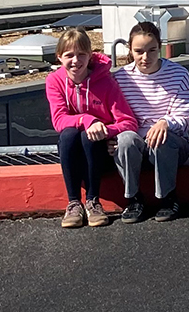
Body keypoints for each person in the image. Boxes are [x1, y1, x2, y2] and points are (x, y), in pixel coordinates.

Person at [46, 28, 137, 229]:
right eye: (69, 55)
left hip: (100, 155)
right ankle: (73, 202)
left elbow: (129, 121)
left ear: (90, 55)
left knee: (89, 136)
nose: (75, 61)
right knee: (69, 134)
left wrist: (107, 131)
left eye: (81, 54)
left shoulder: (106, 82)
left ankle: (93, 201)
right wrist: (88, 120)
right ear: (59, 57)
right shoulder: (54, 81)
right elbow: (59, 120)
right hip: (73, 156)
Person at [111, 22, 189, 224]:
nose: (145, 57)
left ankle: (168, 197)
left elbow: (185, 117)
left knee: (161, 138)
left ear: (160, 47)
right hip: (137, 143)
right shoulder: (120, 78)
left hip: (171, 144)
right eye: (139, 51)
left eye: (152, 50)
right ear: (130, 50)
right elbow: (115, 117)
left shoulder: (179, 74)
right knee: (125, 139)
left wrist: (165, 122)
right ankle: (133, 198)